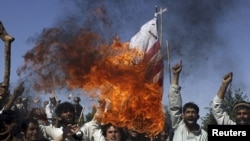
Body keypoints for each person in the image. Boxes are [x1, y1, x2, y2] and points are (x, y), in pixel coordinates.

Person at [168, 60, 207, 141]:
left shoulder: (203, 135)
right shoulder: (178, 126)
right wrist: (176, 75)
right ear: (182, 116)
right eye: (188, 112)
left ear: (198, 116)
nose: (190, 115)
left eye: (193, 112)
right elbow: (174, 103)